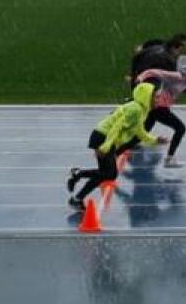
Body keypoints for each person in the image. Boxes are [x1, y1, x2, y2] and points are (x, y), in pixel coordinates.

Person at [67, 81, 166, 209]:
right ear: (146, 96)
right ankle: (78, 182)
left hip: (104, 137)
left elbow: (139, 132)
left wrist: (156, 140)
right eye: (156, 97)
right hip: (103, 137)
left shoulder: (140, 110)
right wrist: (106, 146)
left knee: (107, 173)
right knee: (109, 174)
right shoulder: (135, 109)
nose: (159, 99)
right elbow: (117, 126)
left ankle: (77, 190)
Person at [136, 55, 186, 168]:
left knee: (143, 130)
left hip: (157, 107)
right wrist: (141, 77)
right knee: (180, 128)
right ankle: (169, 159)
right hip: (159, 107)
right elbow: (153, 71)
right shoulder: (175, 76)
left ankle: (120, 143)